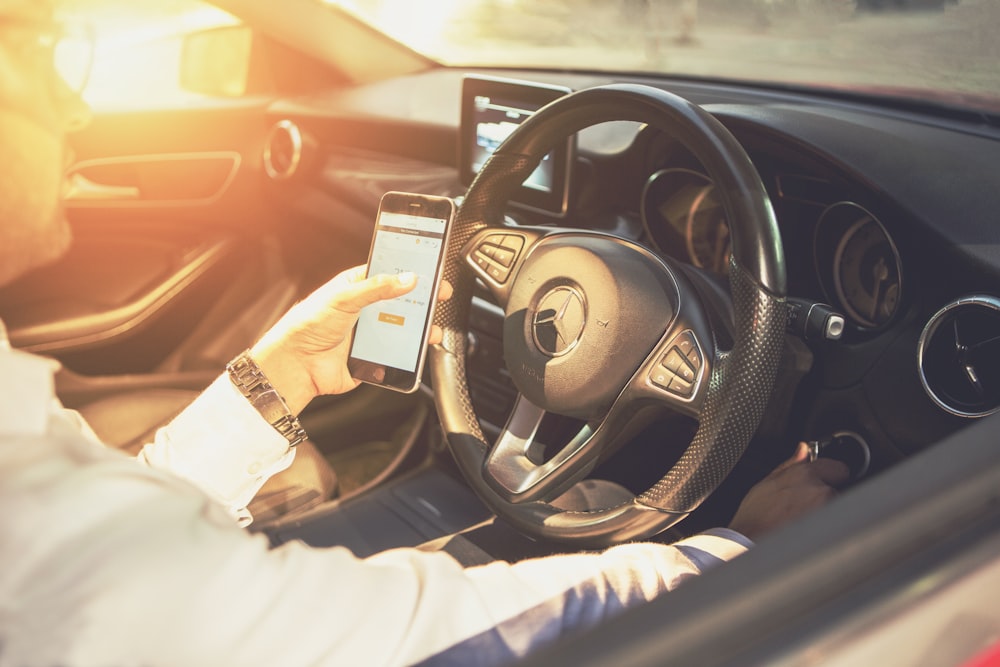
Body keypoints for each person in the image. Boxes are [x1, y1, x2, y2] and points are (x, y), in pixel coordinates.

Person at [0, 1, 850, 665]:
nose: (75, 105)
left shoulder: (45, 500)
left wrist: (271, 380)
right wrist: (734, 552)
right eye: (38, 54)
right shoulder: (39, 515)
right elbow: (433, 639)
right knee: (585, 510)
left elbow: (124, 533)